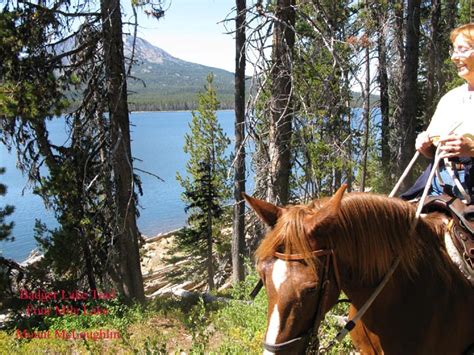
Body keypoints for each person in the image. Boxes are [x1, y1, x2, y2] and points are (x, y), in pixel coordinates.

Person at [404, 23, 474, 202]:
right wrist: (426, 145)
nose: (453, 57)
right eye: (453, 51)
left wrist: (471, 149)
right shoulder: (450, 99)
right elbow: (435, 148)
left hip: (470, 184)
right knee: (396, 219)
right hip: (439, 180)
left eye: (462, 50)